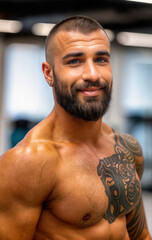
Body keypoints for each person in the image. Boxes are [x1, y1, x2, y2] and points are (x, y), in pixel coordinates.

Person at [0, 15, 151, 240]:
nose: (92, 74)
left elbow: (141, 235)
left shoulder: (127, 148)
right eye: (75, 61)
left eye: (101, 59)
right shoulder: (28, 162)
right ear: (48, 73)